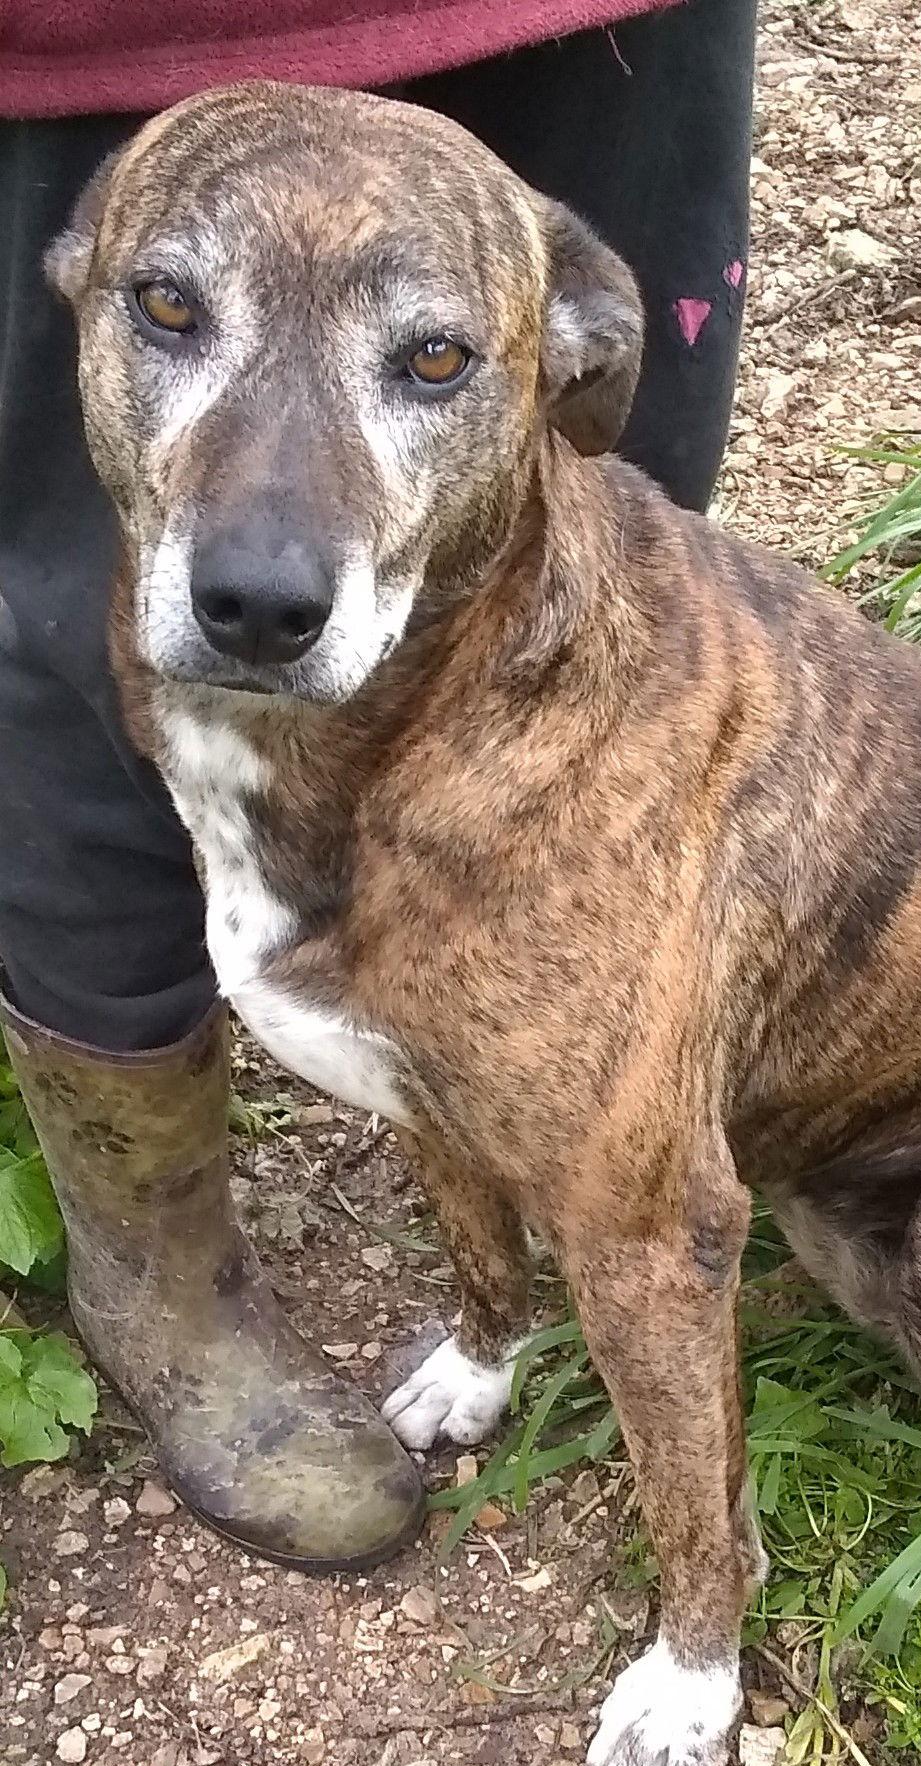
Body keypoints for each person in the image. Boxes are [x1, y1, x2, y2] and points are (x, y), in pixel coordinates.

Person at [0, 0, 755, 1570]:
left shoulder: (573, 334)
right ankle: (156, 1277)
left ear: (566, 361)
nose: (272, 556)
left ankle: (623, 1065)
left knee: (580, 656)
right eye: (168, 312)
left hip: (587, 25)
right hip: (82, 38)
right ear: (86, 280)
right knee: (61, 648)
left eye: (426, 364)